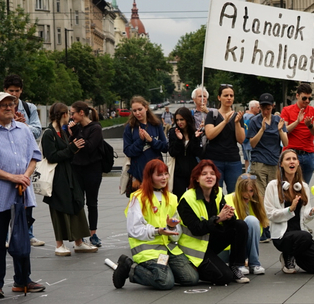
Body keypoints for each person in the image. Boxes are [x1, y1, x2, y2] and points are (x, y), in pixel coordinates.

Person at [112, 159, 199, 290]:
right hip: (148, 251)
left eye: (165, 174)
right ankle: (130, 267)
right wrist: (158, 231)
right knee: (166, 282)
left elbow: (176, 234)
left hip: (168, 249)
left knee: (191, 278)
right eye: (159, 175)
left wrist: (171, 227)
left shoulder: (172, 198)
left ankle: (163, 270)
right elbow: (133, 229)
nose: (164, 178)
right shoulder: (138, 198)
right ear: (149, 177)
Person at [0, 92, 45, 296]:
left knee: (21, 238)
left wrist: (25, 176)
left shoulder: (24, 130)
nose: (9, 107)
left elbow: (35, 157)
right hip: (2, 194)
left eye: (11, 104)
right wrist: (12, 177)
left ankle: (22, 280)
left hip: (22, 194)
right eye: (4, 105)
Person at [177, 160, 250, 284]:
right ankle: (195, 269)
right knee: (224, 277)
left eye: (212, 173)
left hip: (210, 241)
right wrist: (218, 218)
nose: (209, 176)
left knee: (239, 225)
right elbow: (196, 229)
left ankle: (235, 266)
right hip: (195, 248)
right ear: (197, 179)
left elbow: (226, 222)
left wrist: (229, 216)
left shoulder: (218, 193)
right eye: (204, 174)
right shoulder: (187, 199)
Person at [41, 103, 97, 256]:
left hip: (69, 174)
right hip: (57, 177)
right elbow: (51, 156)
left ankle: (79, 241)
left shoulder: (63, 132)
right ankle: (59, 244)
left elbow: (66, 152)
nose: (71, 117)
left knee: (77, 203)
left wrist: (73, 147)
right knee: (59, 207)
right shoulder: (49, 133)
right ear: (63, 115)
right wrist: (72, 148)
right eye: (69, 114)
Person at [264, 149, 314, 274]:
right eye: (288, 159)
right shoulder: (273, 185)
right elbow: (270, 214)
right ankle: (287, 255)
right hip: (283, 236)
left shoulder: (302, 186)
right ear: (281, 164)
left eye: (294, 159)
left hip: (300, 235)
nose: (291, 161)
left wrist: (312, 211)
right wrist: (290, 209)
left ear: (298, 163)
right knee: (305, 236)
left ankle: (297, 255)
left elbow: (305, 217)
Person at [4, 74, 43, 247]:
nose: (14, 94)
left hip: (23, 157)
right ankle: (5, 236)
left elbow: (37, 129)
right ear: (5, 90)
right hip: (6, 164)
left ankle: (28, 233)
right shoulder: (2, 106)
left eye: (17, 91)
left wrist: (22, 125)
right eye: (11, 91)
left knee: (25, 200)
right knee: (4, 204)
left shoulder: (29, 108)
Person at [69, 101, 104, 247]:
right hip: (77, 168)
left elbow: (88, 147)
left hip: (92, 170)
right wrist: (71, 135)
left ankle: (93, 234)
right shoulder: (75, 128)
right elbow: (71, 147)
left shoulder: (95, 128)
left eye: (73, 113)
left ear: (81, 113)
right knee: (78, 201)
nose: (71, 116)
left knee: (92, 202)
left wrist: (75, 133)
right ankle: (80, 234)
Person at [204, 84, 245, 193]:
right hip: (215, 160)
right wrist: (225, 121)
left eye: (231, 95)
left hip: (233, 160)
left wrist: (236, 123)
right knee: (215, 193)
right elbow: (210, 134)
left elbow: (241, 140)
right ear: (219, 97)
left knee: (234, 194)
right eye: (226, 95)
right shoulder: (212, 115)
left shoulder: (238, 116)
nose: (229, 98)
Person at [123, 96, 168, 197]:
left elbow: (165, 147)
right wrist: (140, 140)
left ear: (146, 108)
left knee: (157, 203)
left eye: (140, 109)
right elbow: (128, 151)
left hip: (156, 172)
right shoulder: (130, 128)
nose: (137, 113)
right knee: (140, 205)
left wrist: (151, 140)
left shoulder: (156, 125)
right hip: (138, 173)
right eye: (134, 110)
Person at [224, 174, 268, 274]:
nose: (247, 194)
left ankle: (254, 264)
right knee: (241, 225)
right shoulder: (227, 200)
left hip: (245, 248)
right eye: (244, 190)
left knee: (252, 220)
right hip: (227, 248)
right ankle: (239, 264)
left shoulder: (255, 203)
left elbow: (259, 230)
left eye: (251, 191)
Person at [248, 92, 287, 194]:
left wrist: (280, 130)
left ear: (273, 107)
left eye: (268, 109)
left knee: (273, 194)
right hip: (259, 161)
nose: (265, 112)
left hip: (274, 162)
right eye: (263, 108)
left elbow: (286, 142)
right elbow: (252, 143)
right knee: (260, 194)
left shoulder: (278, 120)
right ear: (259, 107)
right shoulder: (254, 121)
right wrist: (262, 130)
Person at [281, 83, 314, 184]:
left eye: (309, 99)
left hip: (308, 154)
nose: (307, 101)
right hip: (290, 153)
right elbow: (283, 130)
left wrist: (309, 125)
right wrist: (297, 122)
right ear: (297, 96)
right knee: (288, 186)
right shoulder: (287, 110)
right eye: (304, 98)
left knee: (304, 187)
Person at [168, 107, 202, 198]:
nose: (179, 122)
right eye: (177, 120)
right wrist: (179, 140)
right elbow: (172, 152)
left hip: (193, 171)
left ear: (187, 119)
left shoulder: (194, 132)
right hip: (178, 172)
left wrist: (195, 139)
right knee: (179, 198)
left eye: (182, 119)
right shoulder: (173, 132)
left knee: (194, 197)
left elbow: (197, 152)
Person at [241, 100, 260, 173]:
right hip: (251, 143)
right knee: (252, 163)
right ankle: (246, 178)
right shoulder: (254, 118)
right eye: (258, 107)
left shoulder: (244, 116)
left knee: (247, 160)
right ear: (252, 108)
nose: (259, 109)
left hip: (244, 142)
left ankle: (246, 177)